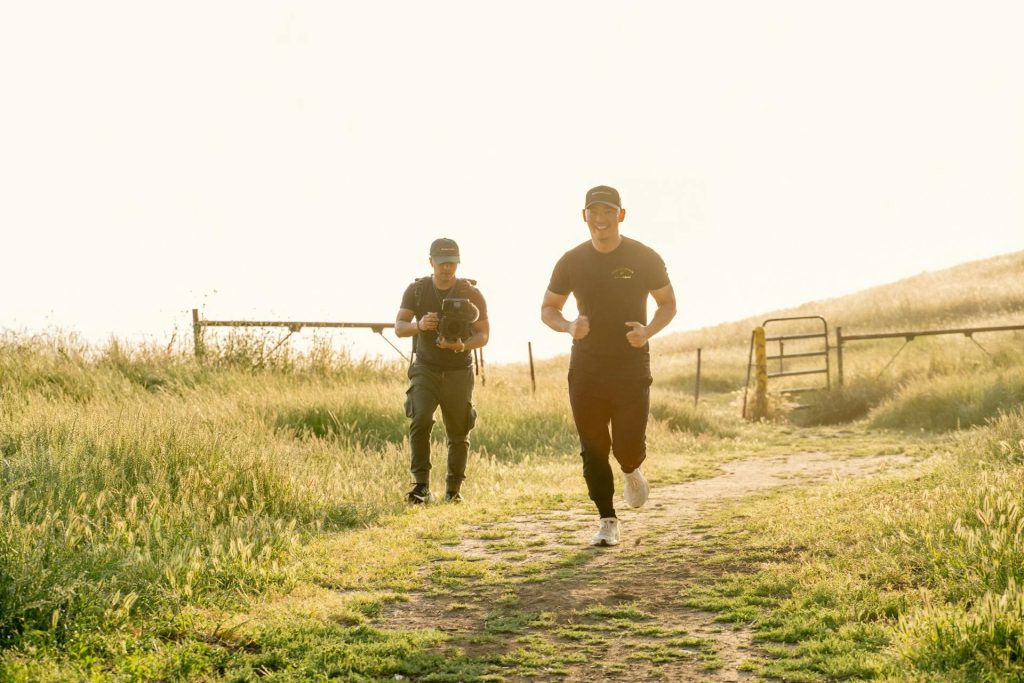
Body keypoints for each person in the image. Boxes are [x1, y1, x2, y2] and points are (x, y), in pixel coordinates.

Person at [541, 186, 676, 546]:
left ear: (621, 215)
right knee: (593, 446)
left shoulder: (644, 257)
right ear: (584, 216)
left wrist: (647, 331)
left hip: (631, 366)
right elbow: (548, 309)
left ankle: (631, 469)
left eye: (608, 212)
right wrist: (569, 325)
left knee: (627, 447)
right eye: (593, 212)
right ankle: (607, 520)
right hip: (586, 368)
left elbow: (668, 304)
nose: (600, 220)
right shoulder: (571, 261)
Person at [395, 238, 489, 504]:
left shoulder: (471, 293)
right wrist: (420, 325)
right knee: (420, 418)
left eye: (452, 263)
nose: (447, 269)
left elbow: (483, 335)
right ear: (431, 262)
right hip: (426, 367)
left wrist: (461, 345)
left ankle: (453, 490)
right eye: (441, 263)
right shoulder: (417, 290)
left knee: (459, 430)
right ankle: (421, 486)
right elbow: (400, 327)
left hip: (459, 369)